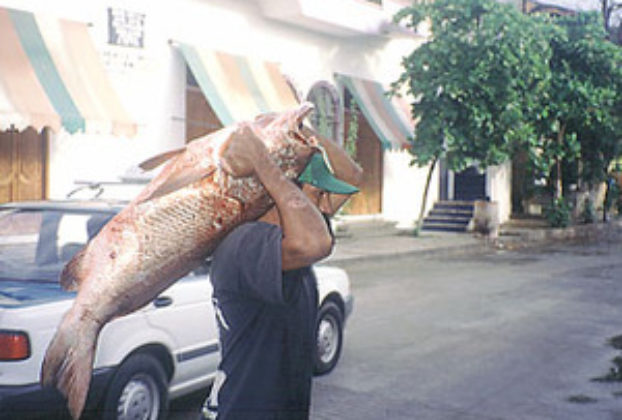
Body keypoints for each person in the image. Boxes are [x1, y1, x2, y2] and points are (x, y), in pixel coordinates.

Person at [201, 124, 362, 420]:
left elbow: (352, 176)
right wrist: (265, 165)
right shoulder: (245, 244)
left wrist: (304, 132)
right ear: (283, 195)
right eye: (318, 194)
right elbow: (315, 243)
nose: (327, 206)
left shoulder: (292, 235)